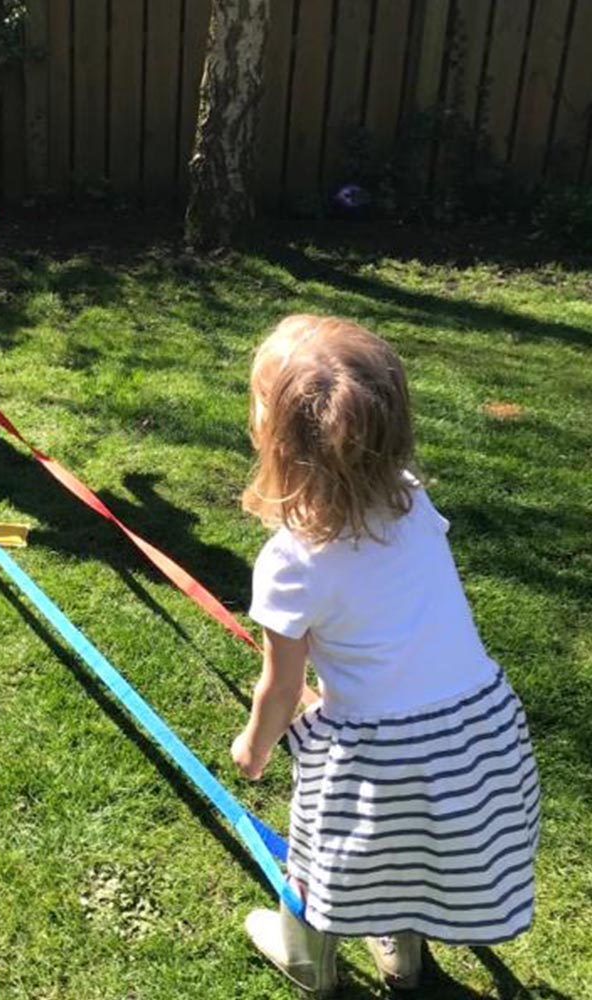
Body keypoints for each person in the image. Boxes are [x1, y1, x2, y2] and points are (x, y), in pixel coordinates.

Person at [230, 315, 539, 997]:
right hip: (477, 728)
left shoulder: (291, 562)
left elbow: (281, 688)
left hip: (381, 751)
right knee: (412, 847)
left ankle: (306, 957)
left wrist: (255, 746)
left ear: (276, 437)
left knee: (323, 852)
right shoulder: (412, 501)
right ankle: (404, 960)